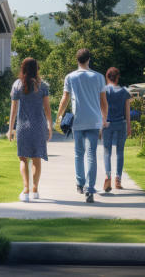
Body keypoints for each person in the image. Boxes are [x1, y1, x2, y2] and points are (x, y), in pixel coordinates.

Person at [55, 48, 108, 203]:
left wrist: (59, 117)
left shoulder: (70, 77)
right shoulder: (99, 77)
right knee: (91, 154)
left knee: (79, 153)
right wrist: (104, 119)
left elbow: (65, 99)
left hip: (78, 120)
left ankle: (80, 184)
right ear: (88, 59)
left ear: (77, 60)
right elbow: (103, 101)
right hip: (94, 120)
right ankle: (90, 189)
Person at [7, 58, 52, 203]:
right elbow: (47, 109)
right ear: (36, 69)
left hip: (23, 126)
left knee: (23, 158)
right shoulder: (42, 85)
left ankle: (26, 189)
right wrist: (50, 126)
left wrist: (10, 129)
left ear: (23, 69)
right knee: (37, 158)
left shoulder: (17, 85)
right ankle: (35, 189)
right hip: (39, 125)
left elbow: (13, 110)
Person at [102, 67, 131, 192]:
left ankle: (108, 176)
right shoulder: (125, 91)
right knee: (120, 151)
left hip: (107, 123)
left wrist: (101, 123)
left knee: (107, 151)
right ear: (118, 77)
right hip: (121, 123)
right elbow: (127, 111)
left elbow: (102, 107)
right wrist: (129, 126)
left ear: (107, 77)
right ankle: (118, 179)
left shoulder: (104, 91)